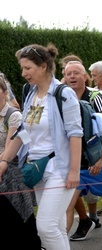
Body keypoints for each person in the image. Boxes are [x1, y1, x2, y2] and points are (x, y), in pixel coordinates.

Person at [0, 44, 83, 250]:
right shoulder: (30, 93)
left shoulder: (63, 94)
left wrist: (74, 171)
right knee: (57, 227)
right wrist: (4, 161)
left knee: (45, 228)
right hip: (37, 169)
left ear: (43, 66)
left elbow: (75, 134)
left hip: (60, 169)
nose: (23, 73)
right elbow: (23, 132)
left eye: (27, 68)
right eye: (22, 68)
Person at [64, 61, 102, 249]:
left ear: (85, 77)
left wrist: (99, 159)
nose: (72, 76)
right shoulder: (63, 99)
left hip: (99, 158)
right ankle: (58, 243)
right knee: (68, 202)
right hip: (74, 161)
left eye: (77, 73)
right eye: (69, 74)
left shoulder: (95, 98)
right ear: (64, 78)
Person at [0, 73, 41, 249]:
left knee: (25, 220)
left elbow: (12, 146)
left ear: (4, 92)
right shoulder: (33, 97)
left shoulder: (14, 115)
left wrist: (2, 164)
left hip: (13, 173)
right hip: (3, 169)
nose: (25, 73)